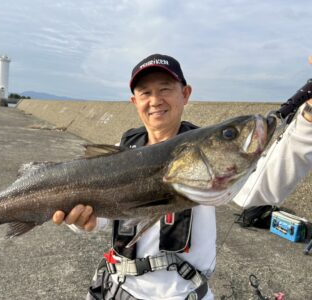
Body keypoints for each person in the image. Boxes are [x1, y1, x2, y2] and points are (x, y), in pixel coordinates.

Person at [53, 54, 312, 299]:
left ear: (185, 94)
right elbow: (102, 219)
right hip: (115, 287)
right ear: (135, 102)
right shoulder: (122, 150)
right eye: (145, 92)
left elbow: (262, 187)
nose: (155, 100)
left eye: (165, 88)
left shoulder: (208, 150)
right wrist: (81, 221)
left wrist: (308, 119)